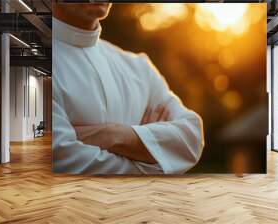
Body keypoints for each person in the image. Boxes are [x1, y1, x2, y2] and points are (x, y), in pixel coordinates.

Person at [52, 3, 204, 174]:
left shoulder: (139, 67)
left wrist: (114, 135)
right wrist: (156, 157)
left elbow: (192, 137)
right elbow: (62, 162)